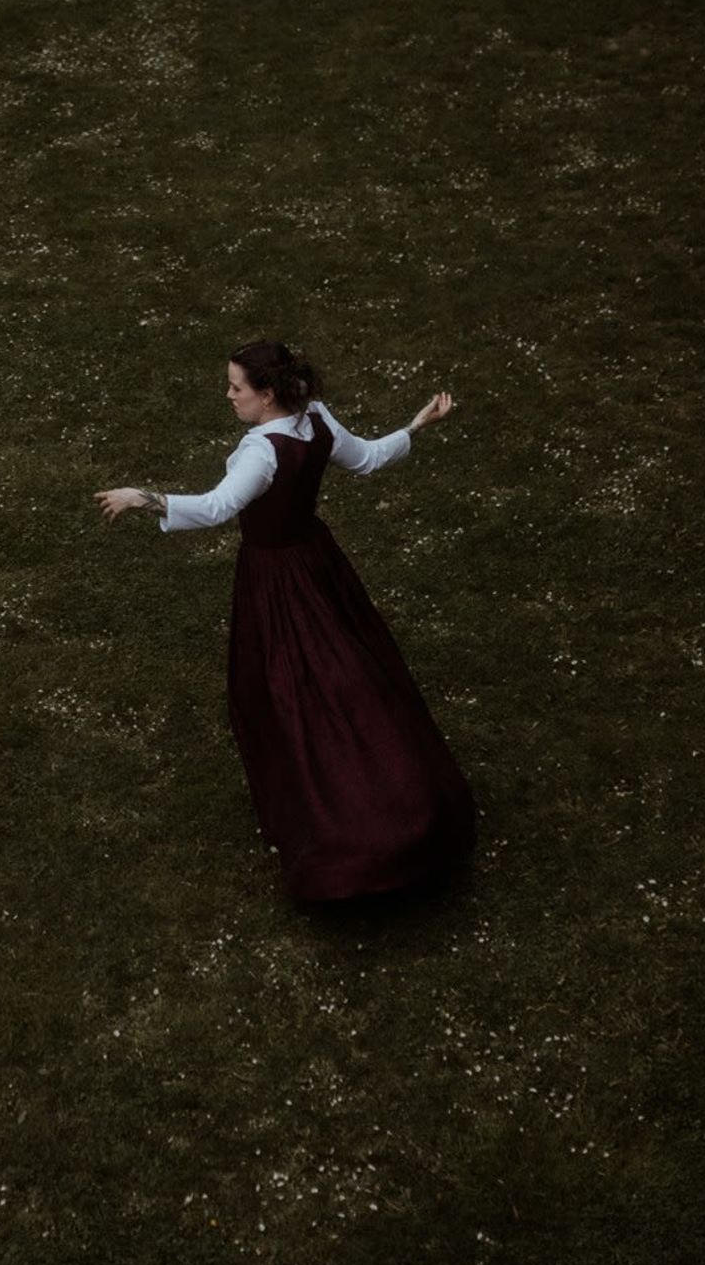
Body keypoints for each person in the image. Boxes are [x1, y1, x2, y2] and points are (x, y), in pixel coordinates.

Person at [96, 339, 473, 905]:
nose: (228, 396)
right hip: (318, 563)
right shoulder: (314, 419)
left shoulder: (262, 451)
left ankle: (343, 823)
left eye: (236, 387)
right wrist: (416, 426)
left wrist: (142, 497)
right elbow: (367, 458)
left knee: (289, 688)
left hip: (276, 579)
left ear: (267, 393)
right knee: (348, 664)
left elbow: (219, 506)